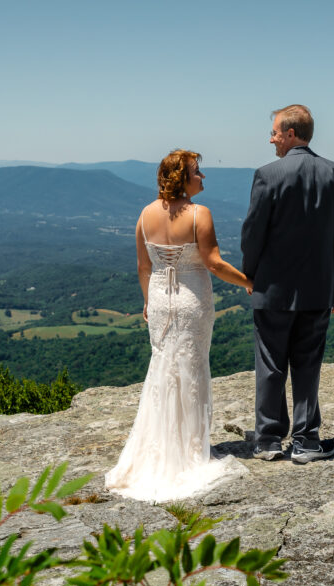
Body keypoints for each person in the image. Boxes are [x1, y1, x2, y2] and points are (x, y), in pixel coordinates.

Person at [105, 149, 253, 502]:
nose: (202, 177)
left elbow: (144, 268)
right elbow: (214, 264)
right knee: (192, 369)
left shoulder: (144, 214)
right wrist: (250, 282)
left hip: (158, 300)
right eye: (197, 172)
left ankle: (158, 449)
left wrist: (147, 301)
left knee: (163, 370)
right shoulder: (200, 214)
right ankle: (189, 451)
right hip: (191, 301)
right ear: (182, 179)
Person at [240, 104, 334, 464]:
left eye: (274, 132)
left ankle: (268, 440)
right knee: (308, 363)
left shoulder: (267, 174)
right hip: (319, 286)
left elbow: (253, 232)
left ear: (290, 134)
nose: (270, 138)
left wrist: (250, 273)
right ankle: (306, 441)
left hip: (272, 287)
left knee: (271, 363)